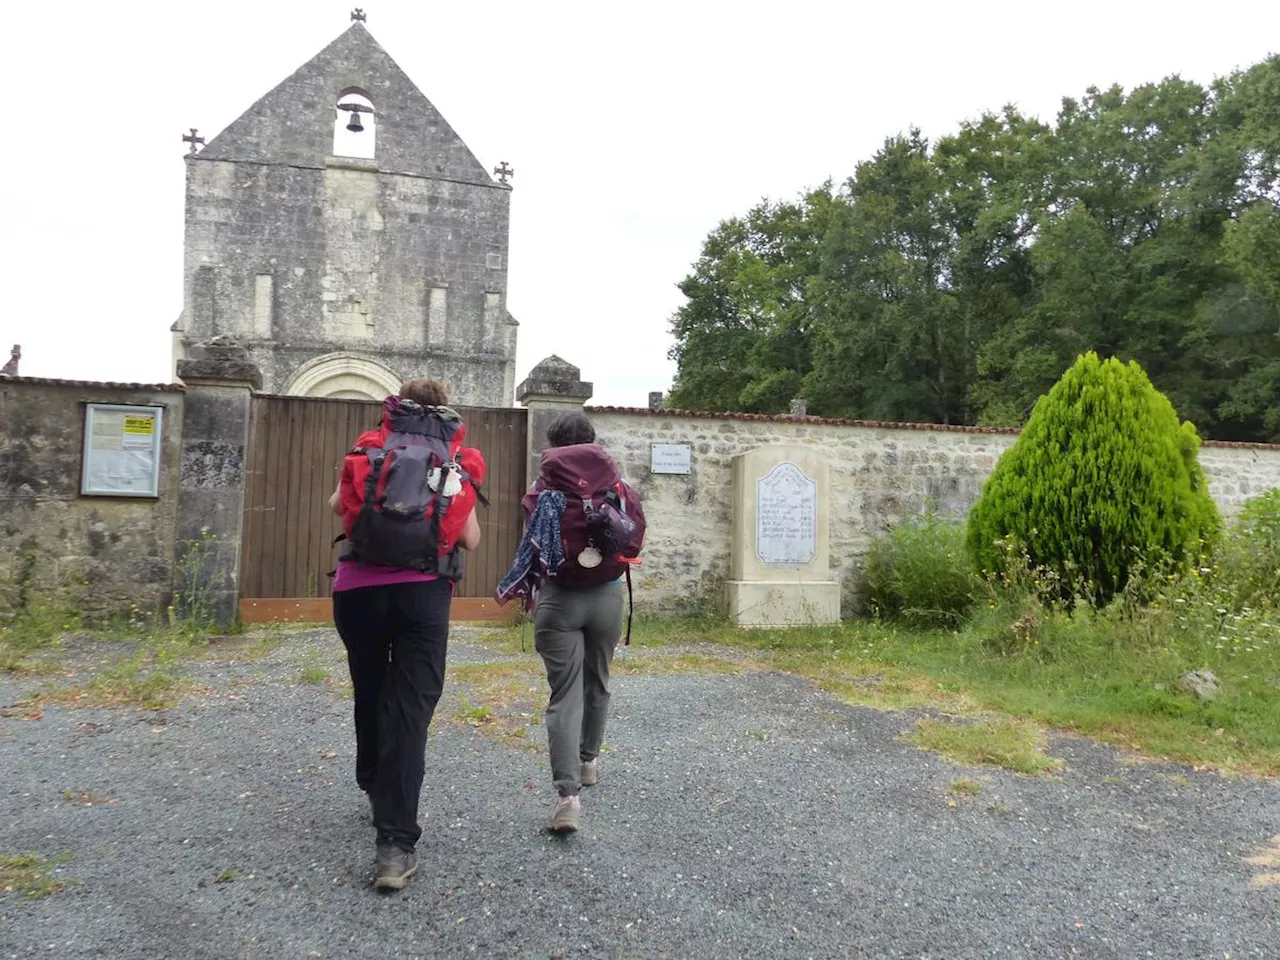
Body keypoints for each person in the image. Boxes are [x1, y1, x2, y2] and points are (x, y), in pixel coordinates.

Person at [328, 378, 482, 890]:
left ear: (395, 409)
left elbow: (337, 506)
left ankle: (373, 781)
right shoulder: (456, 461)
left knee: (370, 690)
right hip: (422, 595)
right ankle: (394, 847)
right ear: (446, 412)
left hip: (357, 592)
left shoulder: (372, 447)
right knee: (409, 711)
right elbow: (471, 539)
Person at [497, 412, 645, 833]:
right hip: (607, 595)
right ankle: (589, 761)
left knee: (565, 695)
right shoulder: (617, 486)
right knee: (598, 679)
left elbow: (533, 540)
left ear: (553, 445)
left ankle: (567, 798)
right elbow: (635, 535)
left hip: (559, 599)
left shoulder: (541, 490)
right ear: (594, 441)